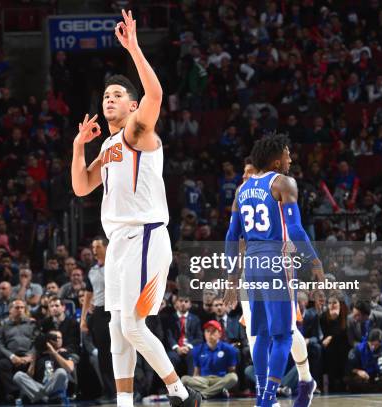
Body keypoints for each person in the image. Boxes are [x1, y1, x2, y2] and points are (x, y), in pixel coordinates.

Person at [70, 10, 201, 407]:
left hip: (145, 234)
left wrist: (134, 48)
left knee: (132, 324)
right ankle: (125, 403)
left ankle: (181, 392)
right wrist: (78, 147)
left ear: (131, 106)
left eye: (116, 95)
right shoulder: (108, 146)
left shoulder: (136, 132)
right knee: (116, 328)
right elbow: (80, 187)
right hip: (119, 243)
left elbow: (156, 96)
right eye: (105, 95)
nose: (108, 99)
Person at [224, 134, 324, 407]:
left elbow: (231, 236)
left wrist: (232, 278)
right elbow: (295, 229)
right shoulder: (284, 183)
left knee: (262, 335)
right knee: (283, 336)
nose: (291, 160)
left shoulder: (241, 191)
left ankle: (265, 395)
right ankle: (268, 399)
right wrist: (315, 263)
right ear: (277, 159)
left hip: (252, 265)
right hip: (276, 261)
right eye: (288, 155)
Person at [81, 236, 115, 400]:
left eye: (98, 247)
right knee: (104, 354)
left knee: (122, 351)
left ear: (107, 247)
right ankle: (109, 392)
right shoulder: (92, 270)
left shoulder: (117, 265)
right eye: (93, 247)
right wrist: (83, 319)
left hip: (117, 310)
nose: (94, 250)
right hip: (100, 313)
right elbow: (88, 297)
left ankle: (131, 390)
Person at [181, 320, 238, 399]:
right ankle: (218, 392)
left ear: (220, 334)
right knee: (184, 379)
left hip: (220, 379)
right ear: (204, 334)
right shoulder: (197, 349)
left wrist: (226, 384)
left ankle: (202, 394)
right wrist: (194, 381)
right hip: (203, 380)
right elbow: (196, 372)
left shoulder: (229, 349)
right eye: (207, 331)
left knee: (233, 377)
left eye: (214, 331)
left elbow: (231, 371)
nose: (210, 333)